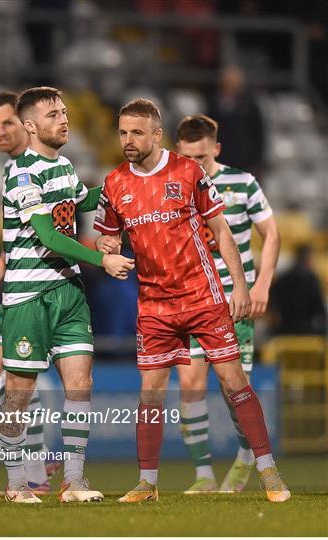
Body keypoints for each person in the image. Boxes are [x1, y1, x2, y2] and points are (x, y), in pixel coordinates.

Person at [94, 98, 289, 504]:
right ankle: (148, 483)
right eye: (122, 132)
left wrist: (239, 285)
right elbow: (106, 234)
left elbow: (220, 228)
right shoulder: (114, 183)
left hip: (203, 295)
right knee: (150, 392)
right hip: (154, 304)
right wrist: (107, 248)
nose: (128, 140)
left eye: (136, 132)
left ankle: (269, 473)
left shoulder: (187, 172)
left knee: (235, 381)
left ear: (156, 134)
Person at [0, 86, 134, 504]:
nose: (63, 119)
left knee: (81, 385)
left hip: (68, 292)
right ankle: (16, 482)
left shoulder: (66, 167)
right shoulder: (22, 172)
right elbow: (47, 236)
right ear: (30, 125)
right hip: (28, 298)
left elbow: (83, 202)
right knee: (18, 394)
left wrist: (124, 186)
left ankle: (74, 481)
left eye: (64, 112)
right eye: (53, 113)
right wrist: (101, 258)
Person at [175, 114, 281, 493]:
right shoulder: (174, 187)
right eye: (188, 158)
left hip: (235, 302)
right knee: (189, 385)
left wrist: (261, 285)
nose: (195, 165)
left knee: (233, 388)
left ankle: (245, 456)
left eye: (202, 157)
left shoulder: (242, 182)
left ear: (216, 149)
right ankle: (203, 476)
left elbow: (271, 234)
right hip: (191, 300)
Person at [0, 91, 57, 494]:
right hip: (16, 284)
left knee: (9, 378)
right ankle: (38, 461)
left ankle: (35, 469)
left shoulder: (37, 165)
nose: (0, 131)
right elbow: (15, 236)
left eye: (7, 122)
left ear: (25, 123)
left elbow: (48, 229)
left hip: (39, 288)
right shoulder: (12, 168)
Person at [270, 244, 326, 336]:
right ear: (309, 258)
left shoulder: (283, 278)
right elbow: (319, 308)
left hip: (283, 331)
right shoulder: (312, 279)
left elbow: (272, 303)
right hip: (308, 332)